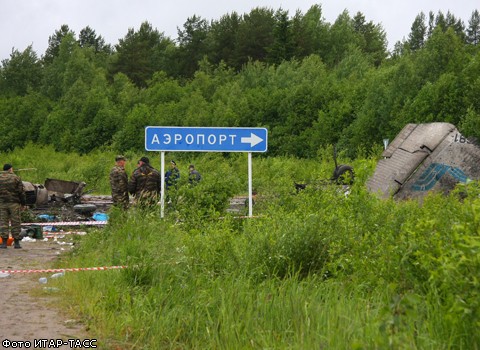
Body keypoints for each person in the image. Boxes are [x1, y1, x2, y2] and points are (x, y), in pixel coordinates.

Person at [0, 164, 26, 249]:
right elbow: (21, 192)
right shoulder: (16, 178)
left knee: (3, 223)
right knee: (15, 222)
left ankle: (4, 243)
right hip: (14, 203)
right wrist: (23, 203)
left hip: (2, 203)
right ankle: (16, 243)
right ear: (10, 169)